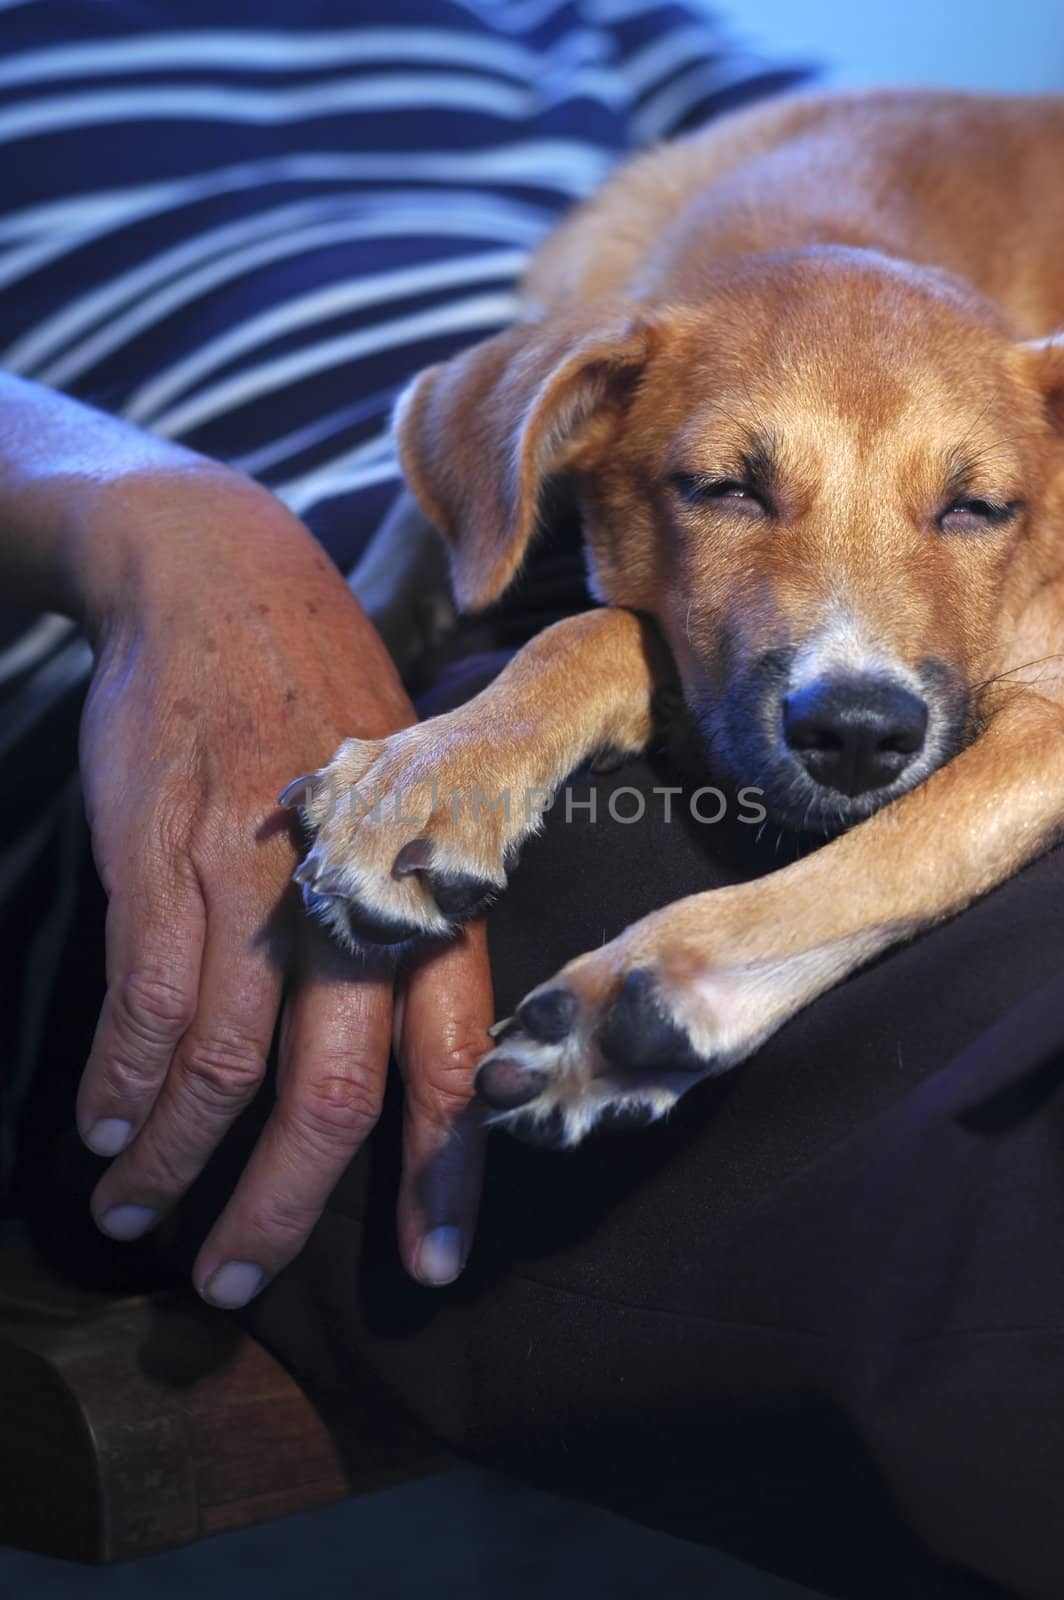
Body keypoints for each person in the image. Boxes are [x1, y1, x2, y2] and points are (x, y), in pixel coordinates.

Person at [4, 6, 1064, 1596]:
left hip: (690, 624)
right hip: (337, 652)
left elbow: (890, 271)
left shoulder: (599, 28)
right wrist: (155, 524)